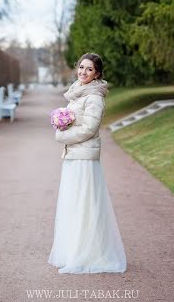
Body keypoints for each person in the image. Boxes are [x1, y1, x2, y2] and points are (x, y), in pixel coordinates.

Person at [47, 52, 127, 274]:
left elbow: (89, 129)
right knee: (72, 204)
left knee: (84, 205)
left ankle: (87, 254)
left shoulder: (94, 97)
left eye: (89, 69)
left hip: (84, 158)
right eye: (81, 67)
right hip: (73, 156)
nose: (83, 72)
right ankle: (73, 251)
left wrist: (62, 135)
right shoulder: (77, 93)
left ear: (97, 74)